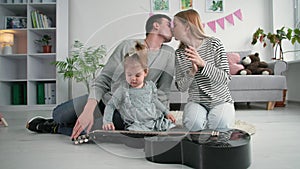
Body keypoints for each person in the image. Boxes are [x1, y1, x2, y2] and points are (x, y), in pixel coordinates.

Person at [26, 14, 175, 140]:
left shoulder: (169, 54)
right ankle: (57, 123)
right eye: (169, 24)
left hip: (128, 111)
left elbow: (163, 91)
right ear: (156, 25)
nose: (173, 28)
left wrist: (158, 118)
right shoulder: (127, 45)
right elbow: (104, 79)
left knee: (96, 131)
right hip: (105, 100)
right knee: (60, 115)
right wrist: (88, 110)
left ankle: (55, 129)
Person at [172, 9, 235, 131]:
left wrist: (203, 64)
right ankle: (203, 120)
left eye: (175, 25)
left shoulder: (214, 44)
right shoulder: (179, 54)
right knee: (192, 124)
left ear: (187, 27)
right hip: (197, 101)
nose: (172, 28)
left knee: (219, 124)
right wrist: (192, 73)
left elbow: (225, 78)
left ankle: (212, 119)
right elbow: (181, 87)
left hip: (221, 100)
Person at [102, 42, 176, 131]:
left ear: (145, 72)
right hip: (135, 122)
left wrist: (166, 112)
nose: (133, 79)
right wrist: (107, 121)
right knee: (135, 134)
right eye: (129, 75)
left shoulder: (149, 86)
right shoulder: (123, 89)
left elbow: (155, 101)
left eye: (137, 75)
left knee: (168, 126)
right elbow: (111, 105)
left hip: (152, 119)